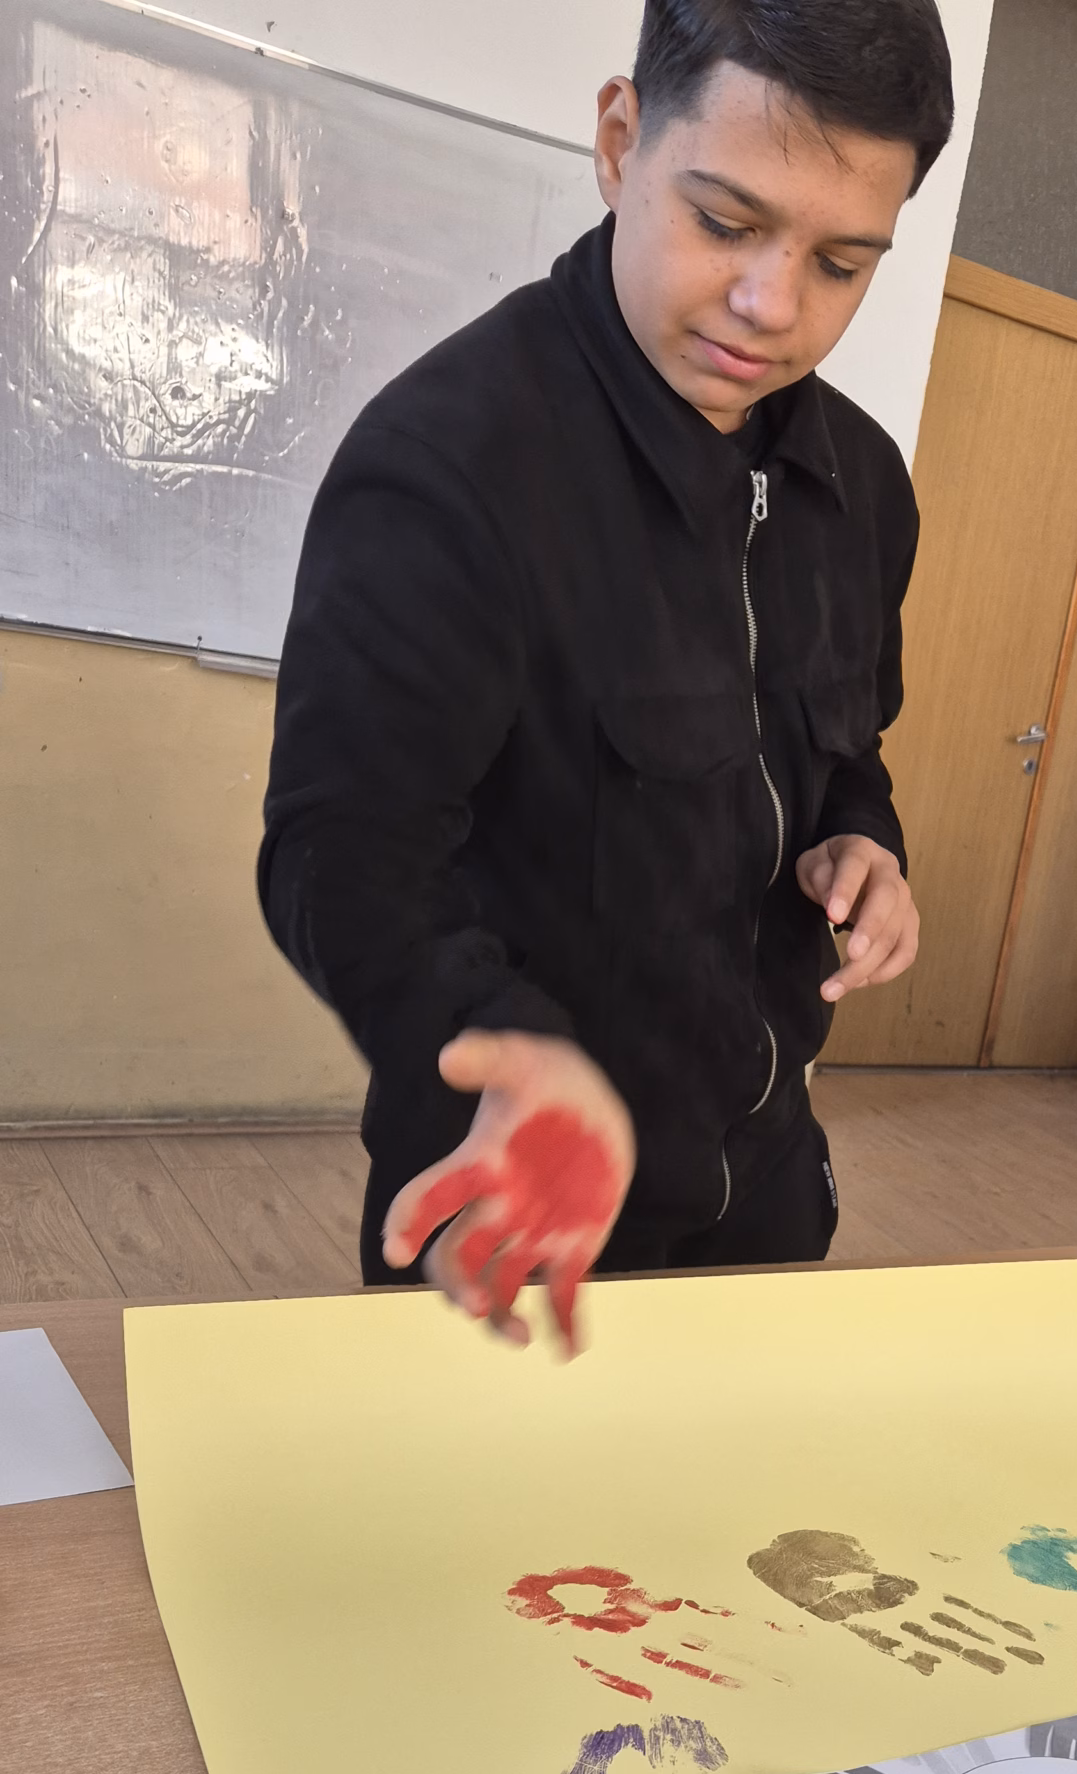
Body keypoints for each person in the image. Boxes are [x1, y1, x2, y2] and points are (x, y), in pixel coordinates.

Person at [259, 0, 954, 1350]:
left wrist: (864, 839)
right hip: (521, 1189)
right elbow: (341, 853)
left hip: (763, 1189)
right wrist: (498, 1040)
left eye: (840, 263)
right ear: (622, 141)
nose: (772, 305)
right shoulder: (450, 464)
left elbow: (847, 749)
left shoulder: (863, 488)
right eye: (727, 223)